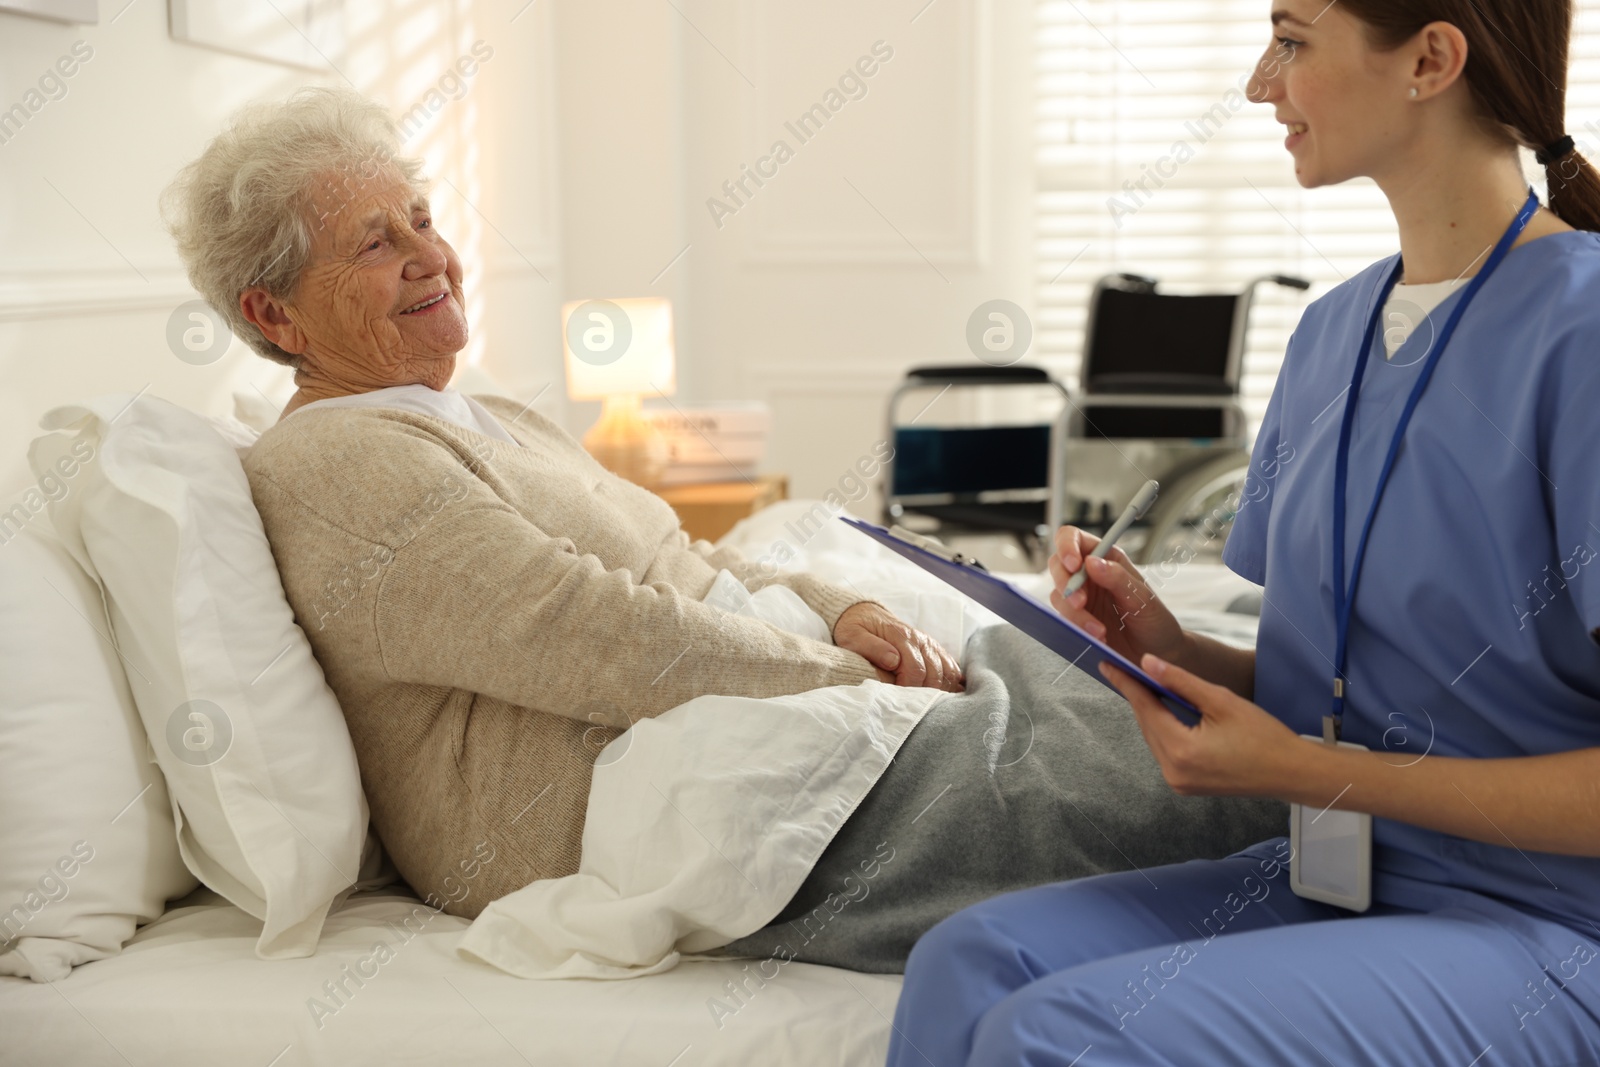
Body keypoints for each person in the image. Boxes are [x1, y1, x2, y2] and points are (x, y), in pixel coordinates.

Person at [887, 0, 1600, 1063]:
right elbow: (1349, 683)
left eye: (1293, 40)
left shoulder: (1581, 336)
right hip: (1349, 878)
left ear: (1430, 60)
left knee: (1059, 1035)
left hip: (1545, 927)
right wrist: (1165, 647)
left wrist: (1318, 775)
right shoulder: (1327, 336)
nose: (1262, 84)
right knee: (968, 959)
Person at [162, 86, 964, 918]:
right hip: (640, 799)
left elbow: (677, 548)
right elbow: (600, 636)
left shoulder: (477, 409)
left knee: (1070, 673)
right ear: (274, 314)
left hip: (753, 695)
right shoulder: (333, 466)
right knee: (1079, 749)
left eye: (422, 220)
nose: (428, 256)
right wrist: (853, 678)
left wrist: (841, 610)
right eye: (374, 242)